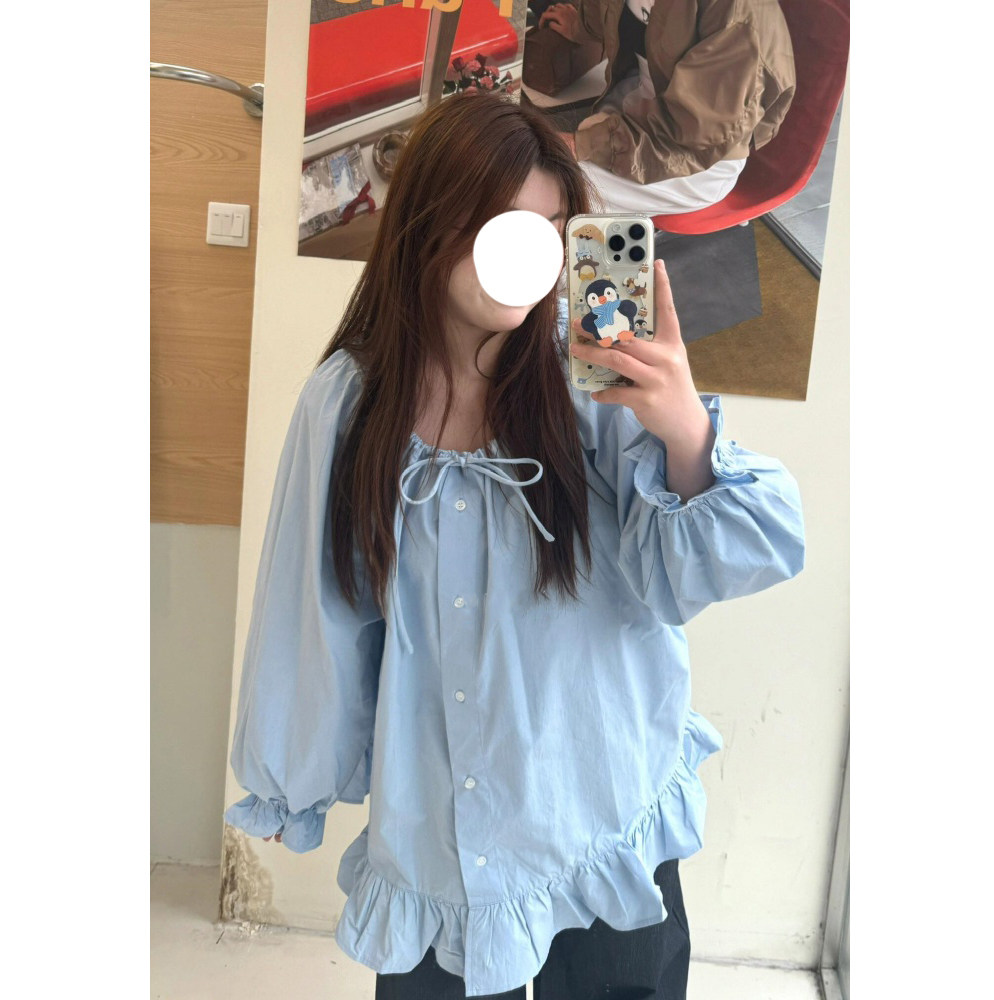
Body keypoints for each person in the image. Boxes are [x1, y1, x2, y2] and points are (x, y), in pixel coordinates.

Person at [223, 92, 805, 998]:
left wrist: (683, 424)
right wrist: (289, 777)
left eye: (545, 232)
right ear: (428, 223)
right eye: (496, 226)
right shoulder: (348, 404)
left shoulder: (596, 385)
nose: (521, 257)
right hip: (442, 842)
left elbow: (703, 567)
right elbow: (317, 609)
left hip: (602, 816)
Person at [538, 0, 796, 214]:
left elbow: (695, 128)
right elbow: (610, 11)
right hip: (643, 102)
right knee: (537, 162)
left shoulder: (737, 13)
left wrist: (580, 144)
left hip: (699, 153)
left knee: (550, 192)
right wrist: (580, 24)